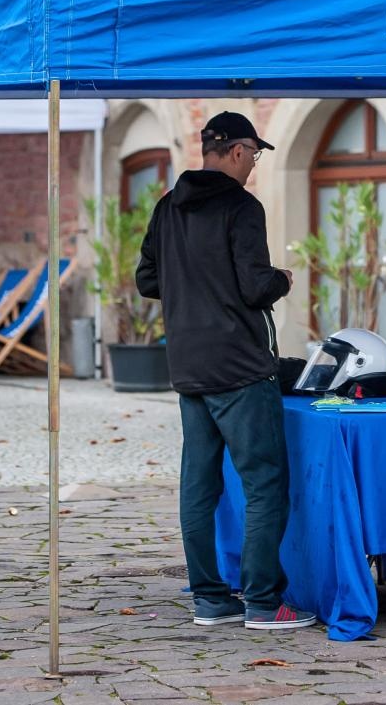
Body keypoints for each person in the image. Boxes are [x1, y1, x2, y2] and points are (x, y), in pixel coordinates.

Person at [136, 111, 317, 632]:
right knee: (264, 483)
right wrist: (280, 279)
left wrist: (190, 284)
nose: (254, 166)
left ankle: (210, 599)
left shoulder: (168, 206)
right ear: (237, 151)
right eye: (254, 156)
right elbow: (254, 287)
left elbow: (148, 278)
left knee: (198, 485)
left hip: (188, 366)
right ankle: (263, 601)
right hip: (240, 367)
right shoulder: (241, 206)